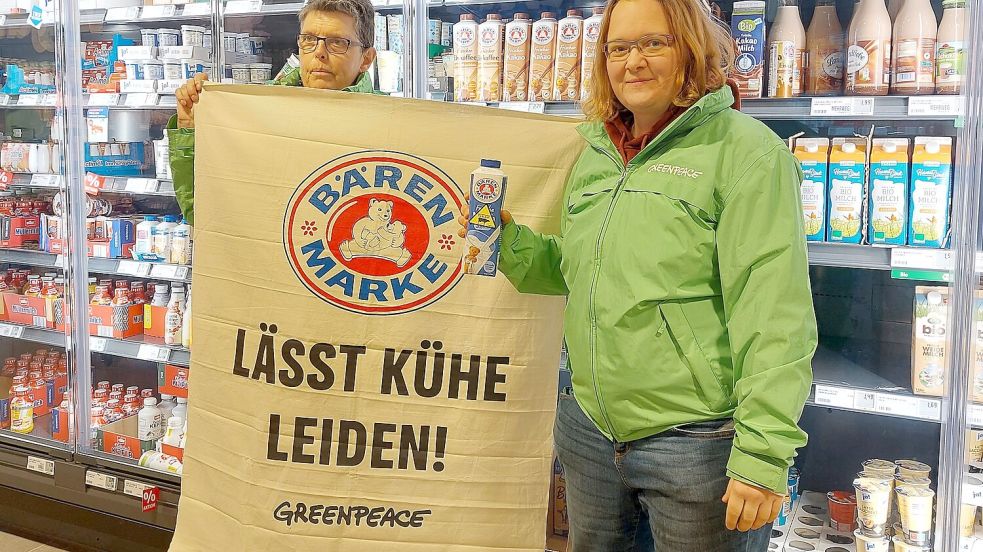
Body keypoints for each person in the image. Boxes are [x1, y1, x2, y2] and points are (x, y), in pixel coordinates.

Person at [460, 0, 817, 550]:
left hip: (696, 445)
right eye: (619, 48)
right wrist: (507, 243)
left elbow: (774, 315)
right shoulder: (596, 152)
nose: (634, 62)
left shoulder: (746, 153)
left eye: (655, 43)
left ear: (692, 50)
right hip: (589, 432)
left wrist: (763, 454)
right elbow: (576, 269)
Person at [166, 0, 381, 225]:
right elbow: (204, 215)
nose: (319, 53)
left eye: (337, 42)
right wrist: (190, 130)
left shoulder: (391, 125)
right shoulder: (256, 113)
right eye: (309, 40)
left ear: (366, 59)